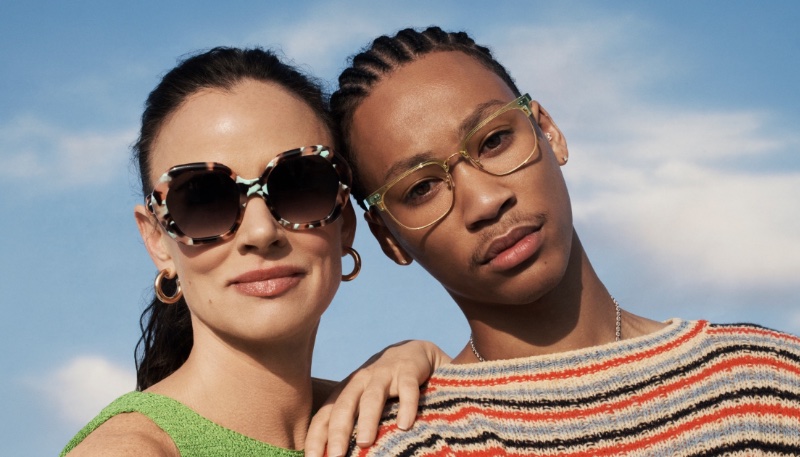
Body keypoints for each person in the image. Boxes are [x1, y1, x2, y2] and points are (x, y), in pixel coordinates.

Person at [325, 27, 800, 456]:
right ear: (388, 237)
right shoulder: (402, 441)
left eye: (493, 141)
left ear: (548, 132)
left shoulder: (770, 382)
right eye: (421, 188)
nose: (486, 201)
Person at [61, 46, 448, 457]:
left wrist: (447, 382)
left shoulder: (389, 420)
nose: (261, 232)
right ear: (157, 240)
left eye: (299, 184)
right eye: (204, 198)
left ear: (345, 221)